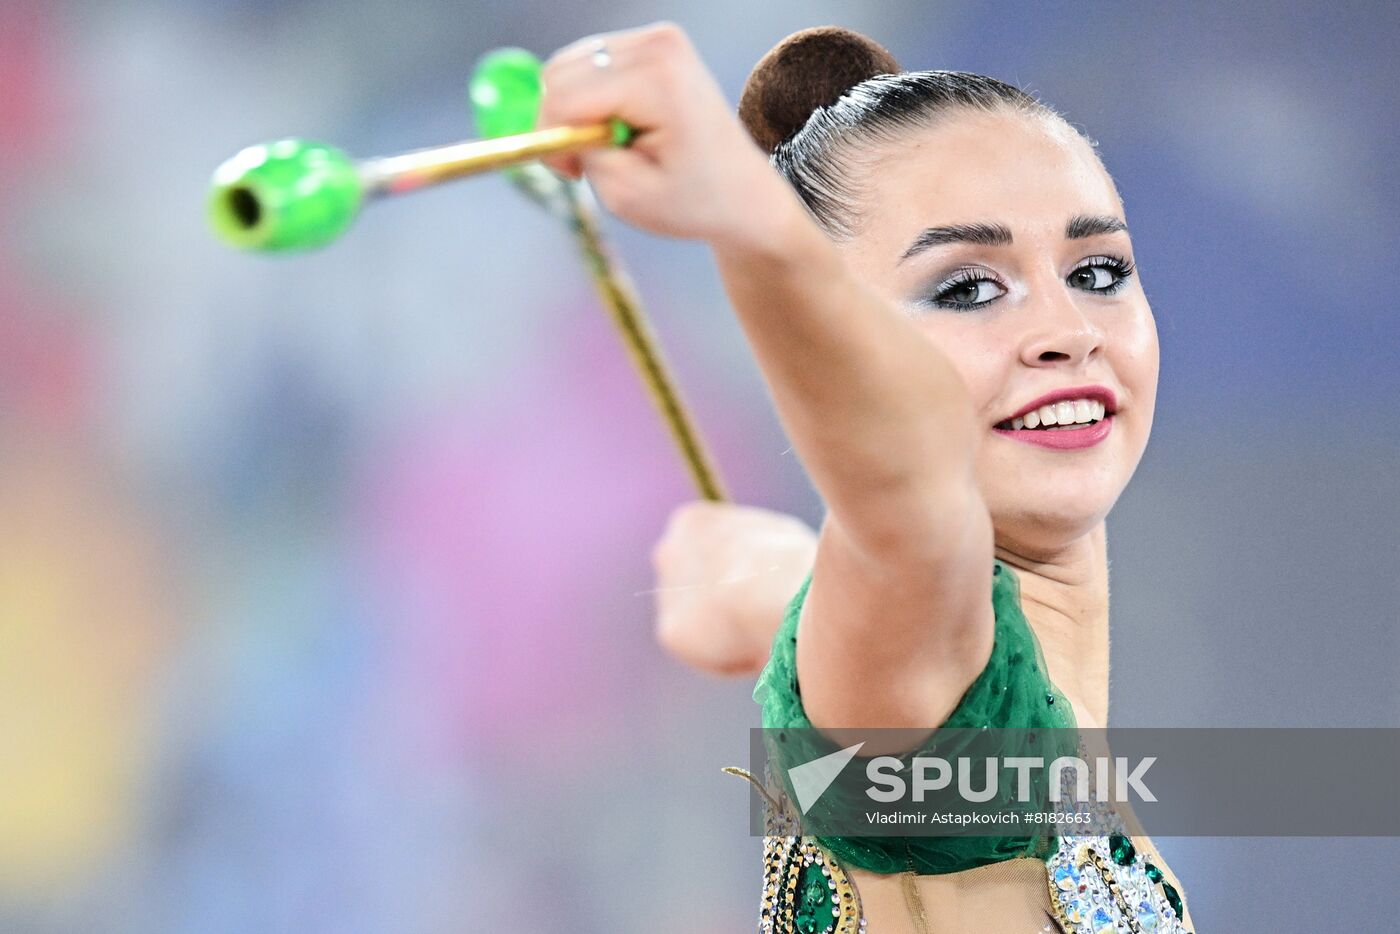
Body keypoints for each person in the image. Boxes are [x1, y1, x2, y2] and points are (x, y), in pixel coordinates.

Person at [540, 23, 1193, 934]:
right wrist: (744, 219)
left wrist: (773, 589)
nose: (1069, 328)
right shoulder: (937, 694)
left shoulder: (908, 655)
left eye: (1098, 270)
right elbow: (911, 509)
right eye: (965, 288)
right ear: (828, 348)